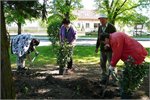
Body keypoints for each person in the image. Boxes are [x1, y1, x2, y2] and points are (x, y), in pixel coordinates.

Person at [100, 32, 148, 98]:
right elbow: (119, 47)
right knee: (127, 74)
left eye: (103, 42)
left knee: (130, 75)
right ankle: (124, 90)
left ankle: (126, 94)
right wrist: (110, 46)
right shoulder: (113, 36)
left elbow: (117, 54)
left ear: (106, 39)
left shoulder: (114, 40)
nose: (104, 44)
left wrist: (112, 65)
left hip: (135, 54)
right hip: (135, 52)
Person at [95, 14, 116, 83]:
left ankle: (114, 80)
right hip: (102, 49)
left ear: (107, 19)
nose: (101, 21)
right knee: (102, 64)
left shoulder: (112, 27)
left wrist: (109, 45)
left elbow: (115, 38)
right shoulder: (100, 27)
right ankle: (104, 78)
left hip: (110, 50)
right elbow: (99, 38)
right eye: (100, 19)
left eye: (103, 19)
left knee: (111, 64)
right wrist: (97, 47)